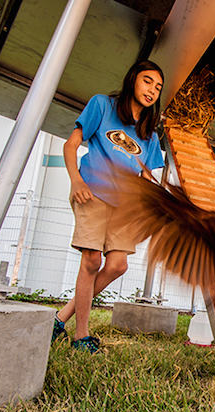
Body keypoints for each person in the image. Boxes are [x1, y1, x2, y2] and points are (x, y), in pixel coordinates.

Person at [52, 60, 165, 353]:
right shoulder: (102, 105)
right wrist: (76, 181)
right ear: (132, 80)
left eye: (158, 87)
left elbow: (146, 179)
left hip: (123, 206)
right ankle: (81, 336)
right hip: (92, 192)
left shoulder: (150, 134)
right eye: (147, 81)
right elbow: (70, 144)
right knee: (91, 261)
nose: (152, 90)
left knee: (117, 265)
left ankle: (60, 317)